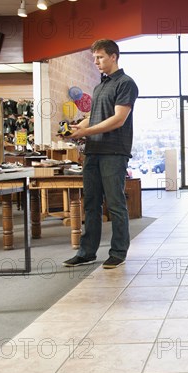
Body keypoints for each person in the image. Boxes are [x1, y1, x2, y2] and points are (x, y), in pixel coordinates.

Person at [63, 39, 139, 269]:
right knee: (91, 204)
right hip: (93, 151)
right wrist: (78, 128)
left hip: (114, 151)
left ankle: (118, 251)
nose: (95, 62)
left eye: (100, 57)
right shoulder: (99, 86)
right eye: (94, 58)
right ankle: (87, 252)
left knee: (115, 204)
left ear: (113, 56)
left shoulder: (126, 84)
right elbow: (94, 117)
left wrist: (87, 130)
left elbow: (118, 119)